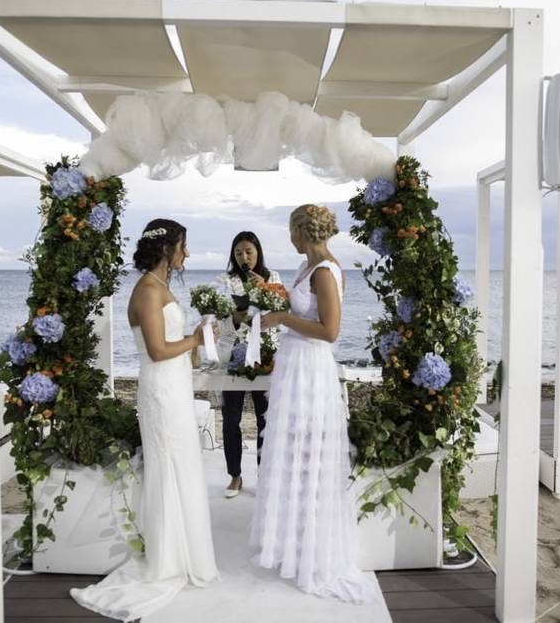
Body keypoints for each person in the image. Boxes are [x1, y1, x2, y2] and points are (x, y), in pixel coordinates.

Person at [71, 219, 219, 621]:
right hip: (161, 388)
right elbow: (156, 349)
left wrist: (193, 337)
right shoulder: (148, 291)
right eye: (183, 247)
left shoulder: (160, 288)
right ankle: (168, 560)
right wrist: (199, 338)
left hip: (173, 385)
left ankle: (179, 550)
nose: (186, 254)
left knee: (181, 466)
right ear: (168, 248)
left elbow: (171, 345)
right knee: (169, 466)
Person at [250, 205, 382, 603]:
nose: (288, 236)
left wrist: (281, 319)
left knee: (309, 455)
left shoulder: (325, 270)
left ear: (302, 231)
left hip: (311, 369)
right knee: (293, 454)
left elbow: (330, 331)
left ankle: (313, 552)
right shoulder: (308, 267)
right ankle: (292, 544)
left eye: (290, 229)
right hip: (293, 367)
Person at [215, 231, 282, 499]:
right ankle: (235, 476)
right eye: (239, 252)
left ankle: (264, 478)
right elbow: (222, 322)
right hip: (234, 355)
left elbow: (280, 314)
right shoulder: (226, 281)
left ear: (258, 252)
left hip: (265, 354)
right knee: (231, 419)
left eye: (249, 252)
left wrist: (263, 289)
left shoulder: (272, 276)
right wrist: (239, 314)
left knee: (265, 418)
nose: (244, 257)